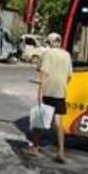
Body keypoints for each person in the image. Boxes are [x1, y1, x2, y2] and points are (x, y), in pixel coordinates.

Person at [32, 32, 73, 163]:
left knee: (40, 119)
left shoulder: (47, 54)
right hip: (60, 92)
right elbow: (70, 76)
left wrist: (40, 92)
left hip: (48, 91)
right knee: (58, 123)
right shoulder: (67, 55)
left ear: (49, 43)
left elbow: (43, 73)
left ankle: (35, 148)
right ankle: (60, 152)